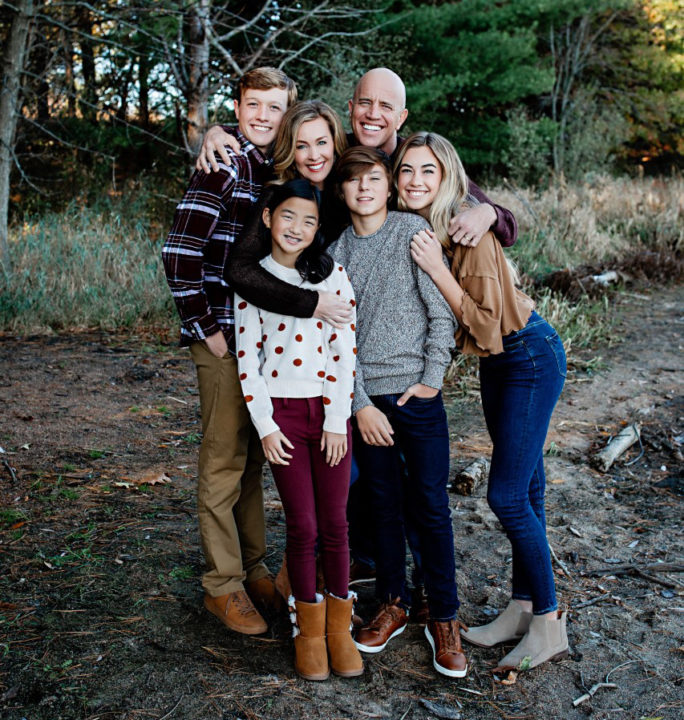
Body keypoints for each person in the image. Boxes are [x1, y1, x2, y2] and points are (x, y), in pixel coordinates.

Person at [395, 131, 569, 672]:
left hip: (527, 357)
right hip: (502, 365)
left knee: (507, 497)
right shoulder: (425, 228)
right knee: (530, 489)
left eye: (429, 171)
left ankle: (549, 623)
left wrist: (440, 272)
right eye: (407, 171)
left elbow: (489, 329)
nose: (416, 181)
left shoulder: (468, 232)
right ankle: (522, 608)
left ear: (448, 177)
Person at [161, 67, 299, 636]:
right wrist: (204, 328)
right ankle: (222, 586)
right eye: (253, 104)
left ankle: (252, 567)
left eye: (275, 107)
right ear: (237, 106)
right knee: (223, 461)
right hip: (221, 338)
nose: (263, 116)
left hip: (258, 341)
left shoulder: (267, 167)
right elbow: (178, 252)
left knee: (250, 462)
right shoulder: (223, 165)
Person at [330, 145, 469, 679]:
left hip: (418, 397)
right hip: (368, 404)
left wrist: (432, 381)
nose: (364, 188)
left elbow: (440, 315)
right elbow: (337, 339)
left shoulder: (411, 232)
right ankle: (392, 602)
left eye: (373, 179)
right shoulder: (338, 251)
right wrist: (360, 403)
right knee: (383, 503)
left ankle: (445, 618)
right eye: (353, 181)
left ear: (388, 186)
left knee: (431, 506)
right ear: (342, 193)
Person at [234, 179, 362, 681]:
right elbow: (248, 361)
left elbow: (344, 351)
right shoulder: (254, 283)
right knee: (303, 526)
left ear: (317, 230)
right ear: (268, 218)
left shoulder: (333, 276)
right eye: (288, 216)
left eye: (309, 221)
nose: (297, 228)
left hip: (329, 417)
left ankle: (339, 629)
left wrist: (337, 419)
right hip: (282, 417)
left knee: (335, 525)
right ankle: (307, 630)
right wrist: (265, 426)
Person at [197, 67, 518, 250]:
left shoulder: (420, 160)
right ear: (351, 109)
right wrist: (221, 131)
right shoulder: (334, 150)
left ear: (402, 117)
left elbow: (509, 229)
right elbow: (283, 135)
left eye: (385, 107)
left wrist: (488, 212)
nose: (373, 114)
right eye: (365, 103)